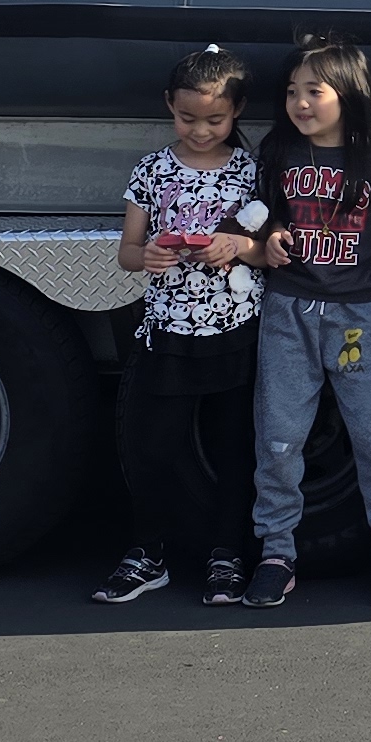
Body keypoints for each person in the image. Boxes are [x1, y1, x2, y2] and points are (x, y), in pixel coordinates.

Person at [242, 33, 371, 605]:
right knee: (277, 438)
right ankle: (276, 552)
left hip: (358, 319)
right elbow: (257, 217)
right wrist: (269, 236)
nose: (300, 103)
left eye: (315, 91)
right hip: (288, 315)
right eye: (293, 92)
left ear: (348, 94)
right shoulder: (276, 151)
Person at [95, 46, 266, 605]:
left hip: (237, 328)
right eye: (187, 118)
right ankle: (148, 553)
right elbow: (126, 250)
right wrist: (146, 257)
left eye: (214, 120)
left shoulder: (251, 171)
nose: (199, 130)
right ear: (169, 105)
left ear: (237, 111)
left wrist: (238, 246)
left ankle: (227, 553)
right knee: (152, 446)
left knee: (233, 446)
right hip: (167, 327)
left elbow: (270, 249)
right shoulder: (151, 170)